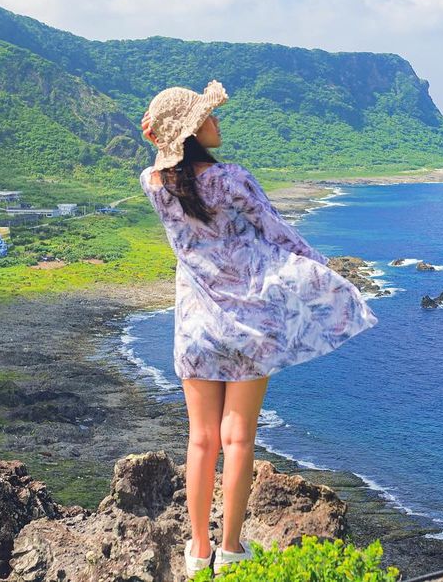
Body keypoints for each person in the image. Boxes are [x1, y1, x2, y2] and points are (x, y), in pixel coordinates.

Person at [138, 79, 378, 578]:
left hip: (196, 325)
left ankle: (197, 551)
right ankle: (231, 549)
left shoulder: (154, 184)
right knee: (240, 436)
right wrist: (327, 274)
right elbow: (280, 233)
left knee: (200, 438)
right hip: (250, 322)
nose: (217, 121)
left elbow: (161, 164)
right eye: (209, 115)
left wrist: (159, 141)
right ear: (195, 129)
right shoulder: (230, 179)